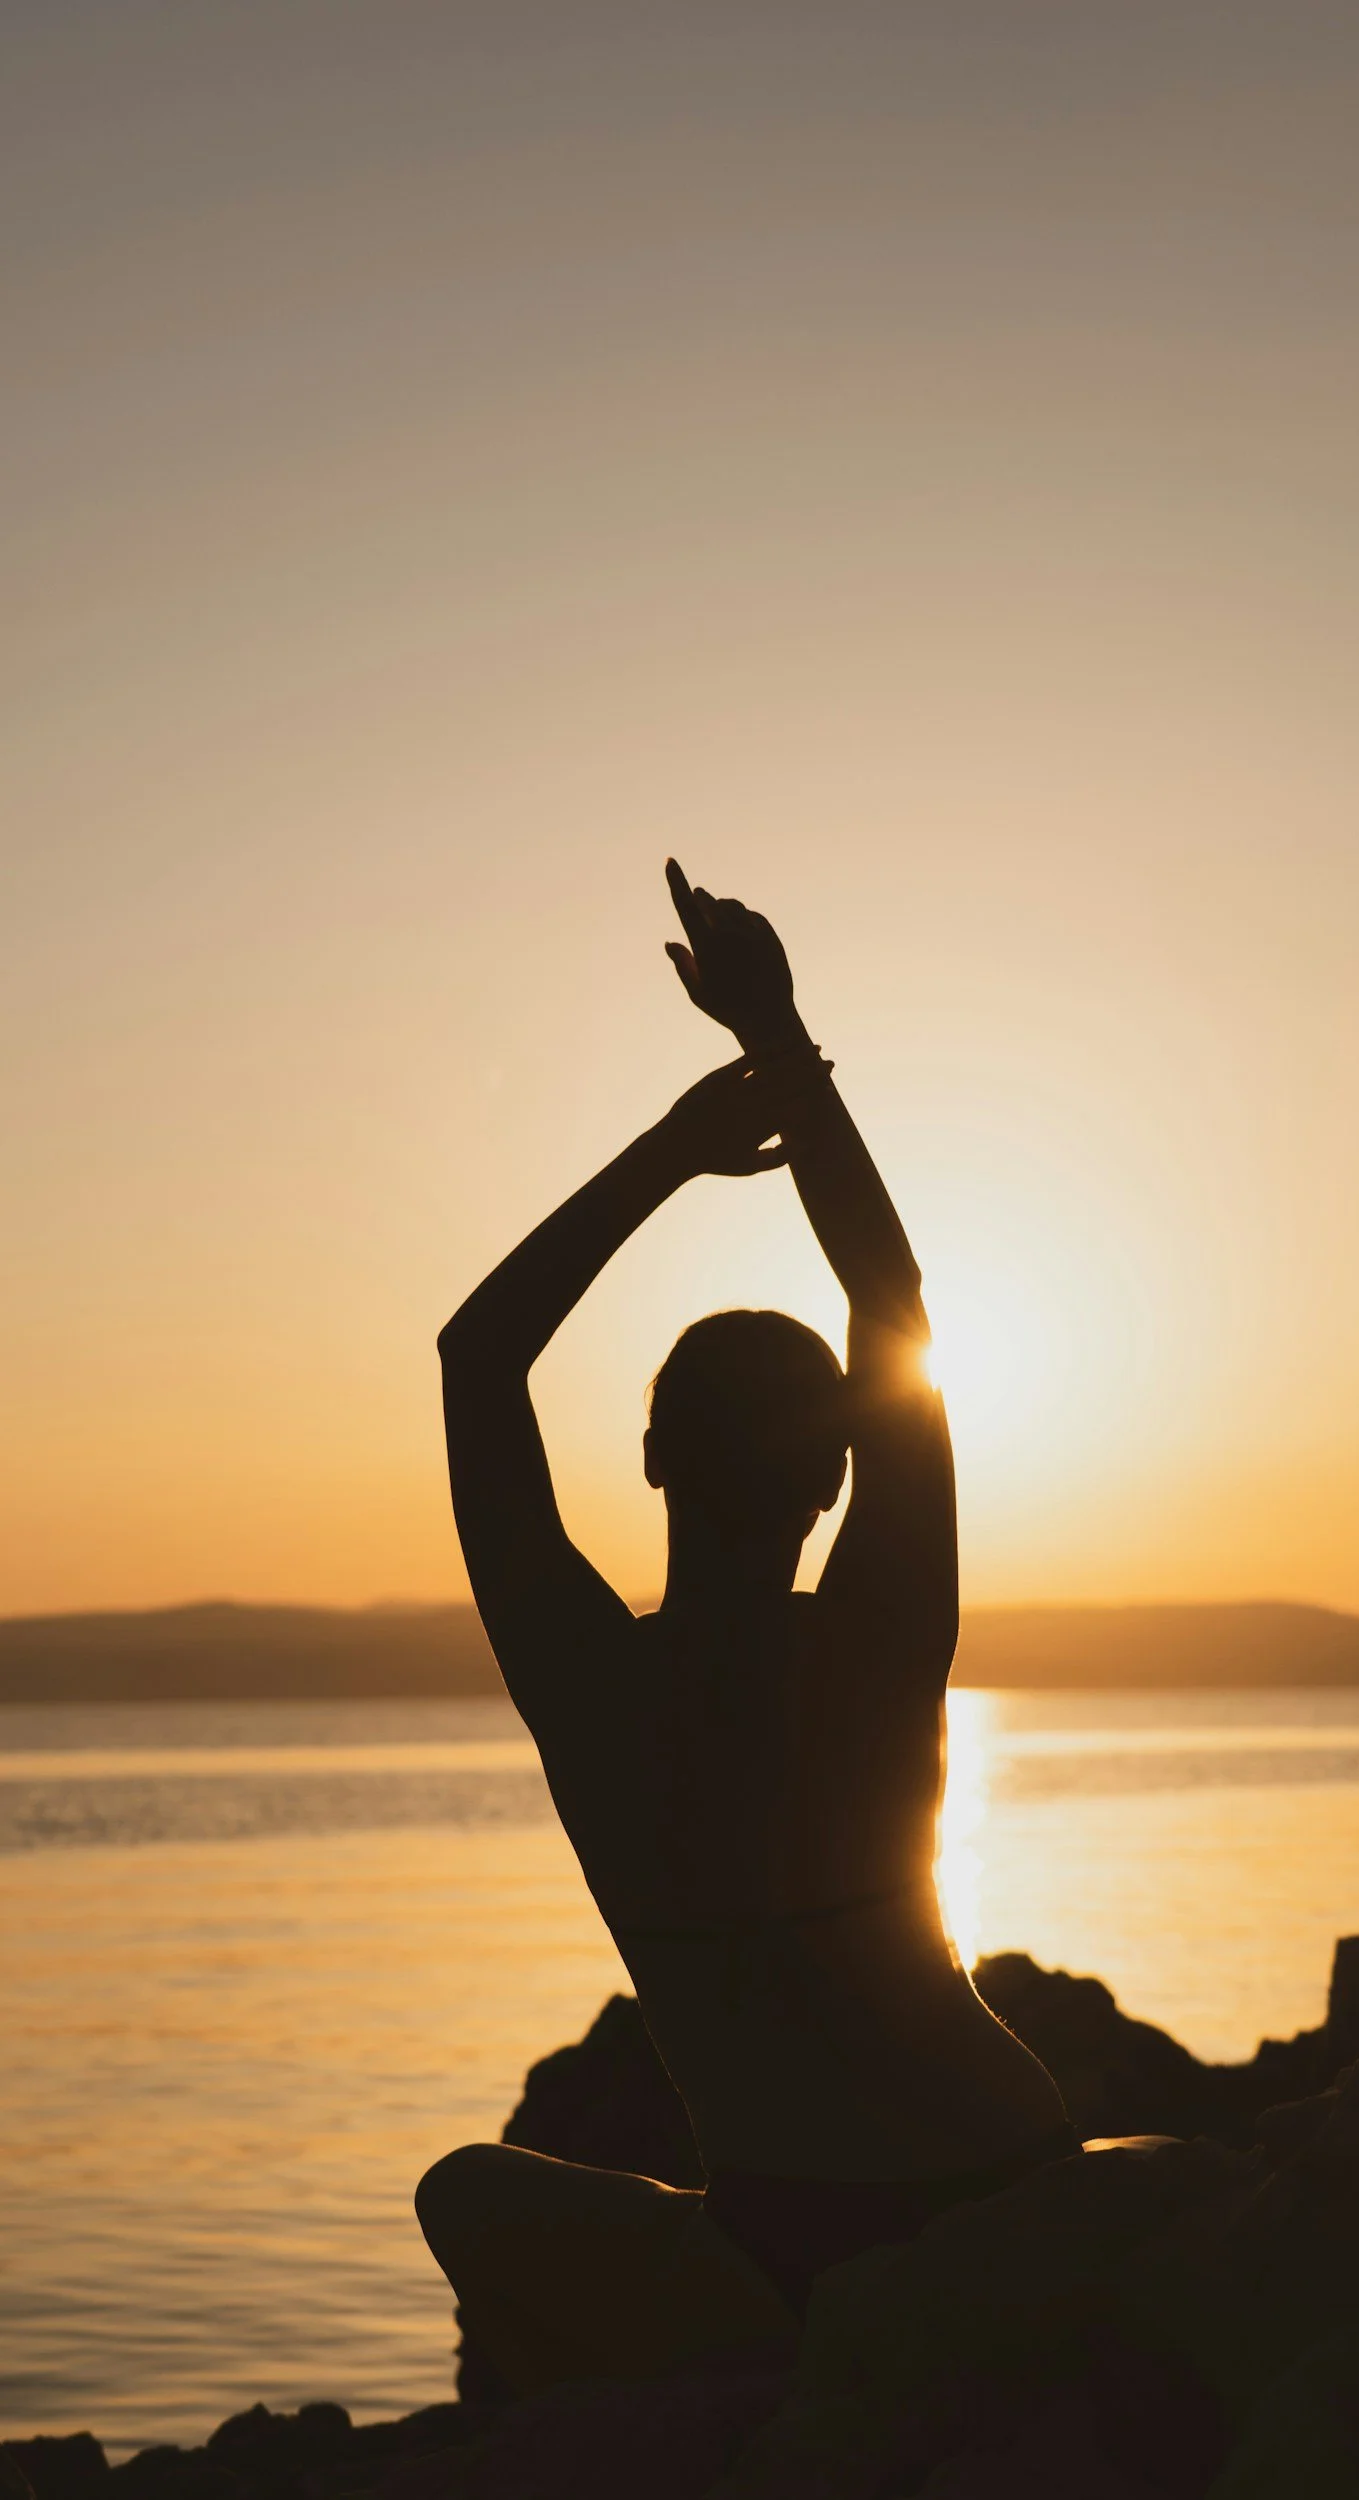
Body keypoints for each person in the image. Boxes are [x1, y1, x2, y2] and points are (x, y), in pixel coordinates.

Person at [417, 864, 1075, 2391]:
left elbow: (476, 1361)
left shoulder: (585, 1686)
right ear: (838, 1473)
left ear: (648, 1457)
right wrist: (777, 1036)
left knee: (467, 2190)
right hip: (1009, 2186)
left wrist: (672, 1149)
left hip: (794, 2251)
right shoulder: (881, 1633)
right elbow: (889, 1291)